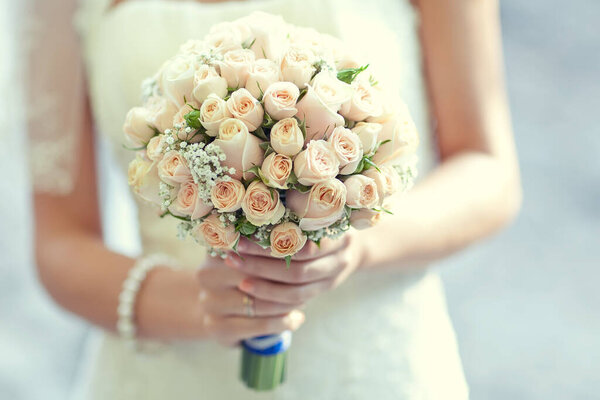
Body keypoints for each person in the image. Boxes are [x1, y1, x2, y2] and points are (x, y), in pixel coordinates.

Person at [26, 0, 521, 398]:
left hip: (373, 367)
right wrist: (201, 304)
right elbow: (60, 242)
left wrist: (357, 246)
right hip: (171, 374)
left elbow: (487, 168)